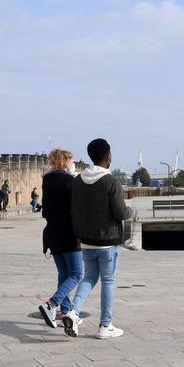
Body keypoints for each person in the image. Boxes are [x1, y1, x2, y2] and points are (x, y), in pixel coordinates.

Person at [63, 138, 134, 339]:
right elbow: (120, 212)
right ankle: (105, 325)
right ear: (108, 156)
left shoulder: (77, 181)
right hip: (107, 242)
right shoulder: (111, 181)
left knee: (89, 277)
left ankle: (73, 312)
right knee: (108, 281)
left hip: (86, 241)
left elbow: (73, 211)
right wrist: (130, 211)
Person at [39, 150, 81, 330]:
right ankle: (51, 304)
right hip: (69, 234)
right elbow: (76, 211)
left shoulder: (46, 181)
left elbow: (46, 210)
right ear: (65, 162)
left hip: (52, 234)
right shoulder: (70, 182)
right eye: (71, 161)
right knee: (77, 274)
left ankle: (65, 313)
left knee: (64, 275)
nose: (73, 164)